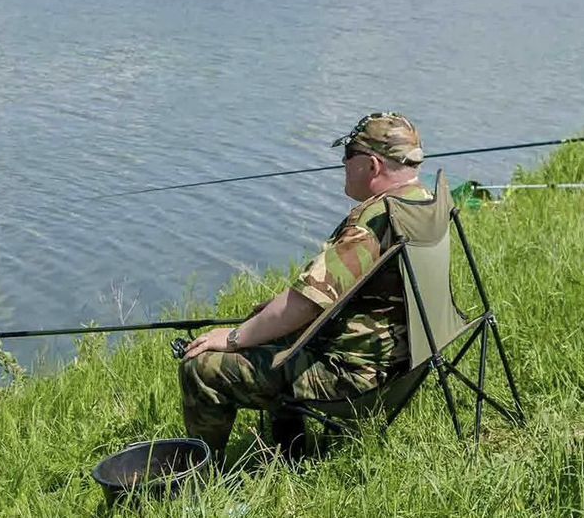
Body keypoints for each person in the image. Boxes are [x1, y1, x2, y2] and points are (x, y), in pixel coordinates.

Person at [179, 112, 430, 460]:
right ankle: (291, 454)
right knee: (274, 330)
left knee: (202, 366)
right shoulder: (423, 203)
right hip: (405, 364)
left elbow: (306, 305)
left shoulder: (371, 225)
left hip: (356, 379)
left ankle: (199, 475)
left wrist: (235, 337)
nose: (343, 163)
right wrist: (267, 317)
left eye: (348, 156)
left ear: (372, 166)